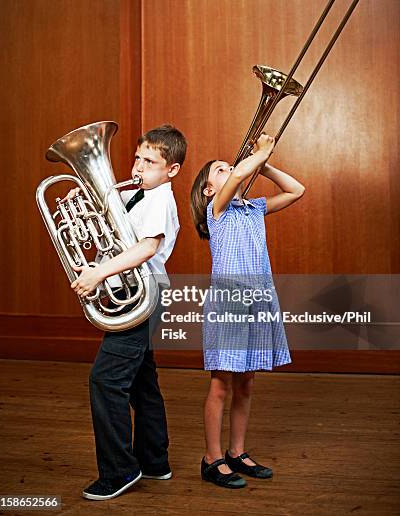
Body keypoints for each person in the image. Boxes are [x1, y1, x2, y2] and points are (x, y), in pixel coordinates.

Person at [64, 124, 187, 500]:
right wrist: (83, 201)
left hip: (142, 298)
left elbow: (147, 247)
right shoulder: (136, 193)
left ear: (172, 170)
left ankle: (119, 472)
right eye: (137, 158)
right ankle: (154, 461)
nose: (138, 167)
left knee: (106, 380)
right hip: (135, 296)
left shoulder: (161, 199)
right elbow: (113, 232)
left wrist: (98, 271)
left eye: (150, 162)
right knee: (140, 382)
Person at [190, 133, 305, 489]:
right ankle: (212, 459)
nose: (231, 169)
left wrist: (266, 162)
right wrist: (253, 159)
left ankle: (236, 453)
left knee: (247, 382)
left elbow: (296, 190)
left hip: (259, 303)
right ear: (210, 190)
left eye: (230, 166)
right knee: (221, 384)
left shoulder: (253, 209)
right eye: (220, 170)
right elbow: (239, 176)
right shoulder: (217, 211)